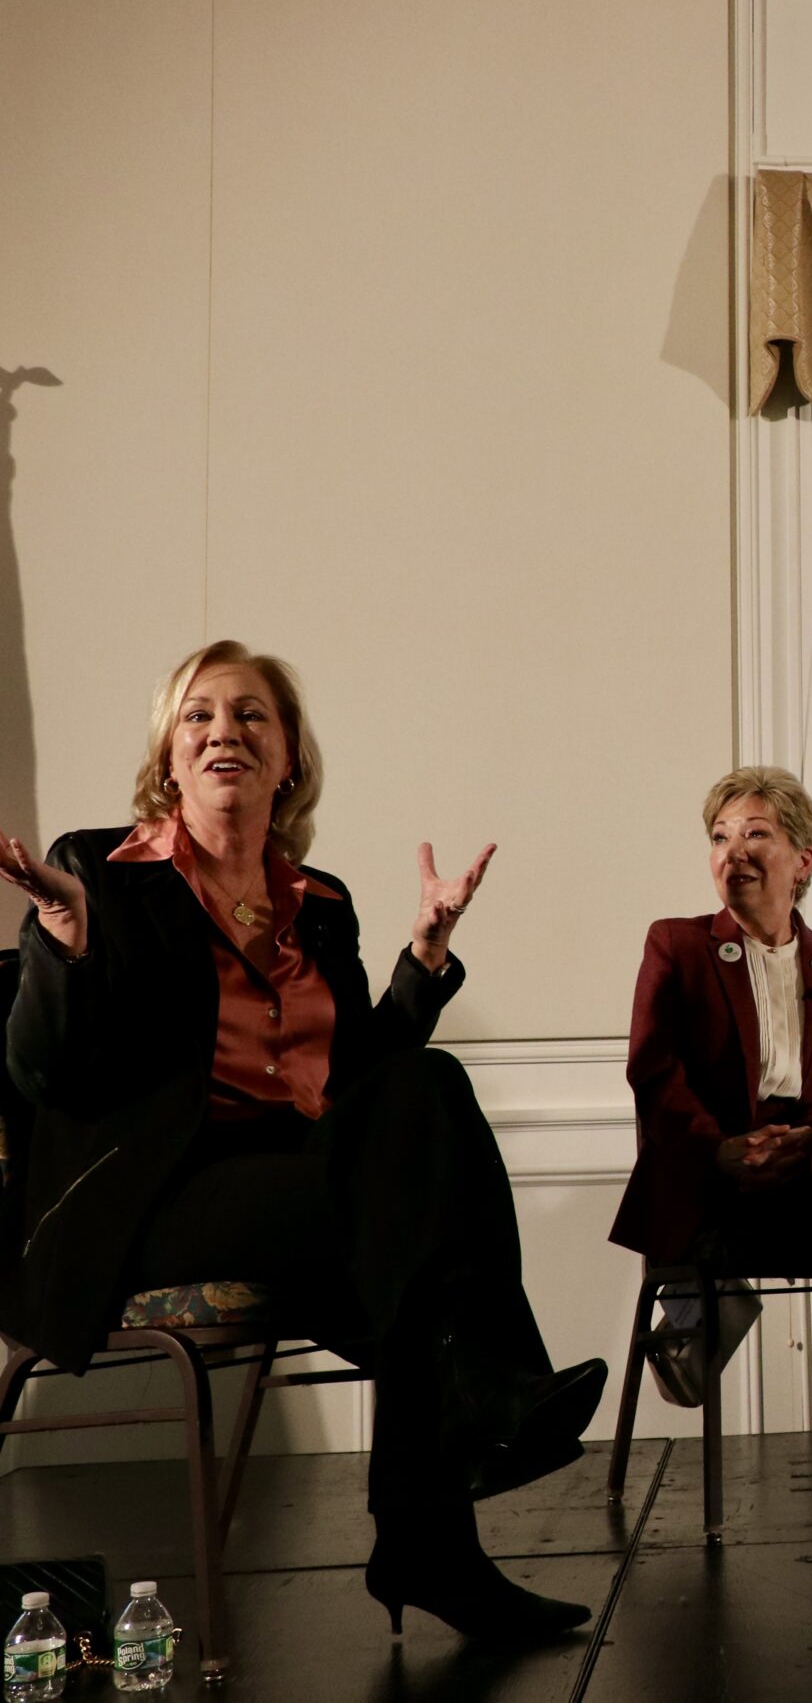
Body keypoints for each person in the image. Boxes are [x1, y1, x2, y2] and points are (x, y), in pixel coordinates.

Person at [0, 640, 603, 1638]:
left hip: (296, 1185)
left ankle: (443, 1504)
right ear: (168, 756)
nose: (224, 731)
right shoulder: (99, 873)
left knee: (426, 1095)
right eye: (199, 715)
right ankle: (469, 1443)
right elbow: (42, 1074)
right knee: (408, 1232)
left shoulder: (319, 903)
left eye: (251, 715)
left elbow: (368, 1087)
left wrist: (424, 958)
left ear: (288, 760)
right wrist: (62, 947)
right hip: (155, 1199)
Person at [609, 767, 812, 1533]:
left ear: (803, 859)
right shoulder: (678, 945)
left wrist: (808, 1139)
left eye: (756, 833)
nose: (734, 851)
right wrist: (722, 1149)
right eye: (720, 836)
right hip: (712, 1178)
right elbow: (653, 1072)